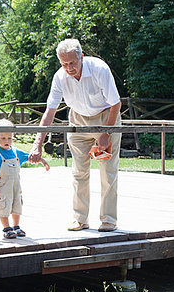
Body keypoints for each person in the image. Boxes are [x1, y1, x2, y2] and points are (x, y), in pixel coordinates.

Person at [28, 38, 122, 232]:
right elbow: (50, 113)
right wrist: (38, 144)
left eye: (72, 63)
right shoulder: (59, 77)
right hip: (78, 120)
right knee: (79, 172)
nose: (69, 68)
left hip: (106, 117)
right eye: (64, 64)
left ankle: (108, 220)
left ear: (82, 57)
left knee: (108, 171)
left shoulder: (99, 69)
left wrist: (106, 133)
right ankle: (80, 219)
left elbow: (116, 104)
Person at [0, 119, 49, 239]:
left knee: (17, 204)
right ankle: (6, 227)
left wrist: (42, 160)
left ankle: (16, 226)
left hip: (16, 185)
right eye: (3, 138)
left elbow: (30, 158)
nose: (7, 141)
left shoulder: (16, 152)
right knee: (3, 205)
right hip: (2, 186)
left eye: (9, 138)